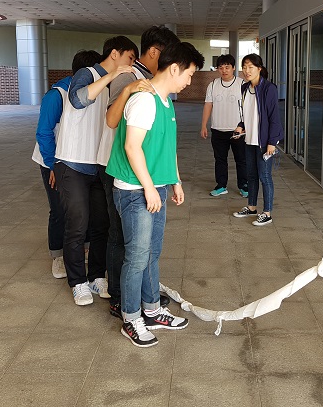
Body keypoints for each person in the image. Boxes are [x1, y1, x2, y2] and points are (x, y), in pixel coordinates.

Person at [106, 41, 204, 347]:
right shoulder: (144, 101)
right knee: (136, 257)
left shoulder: (165, 102)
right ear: (174, 68)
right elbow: (131, 147)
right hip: (135, 191)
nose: (189, 81)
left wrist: (175, 181)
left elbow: (167, 147)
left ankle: (152, 310)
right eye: (189, 74)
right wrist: (149, 188)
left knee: (151, 254)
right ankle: (131, 318)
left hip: (155, 187)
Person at [102, 25, 179, 319]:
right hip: (126, 171)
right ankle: (121, 299)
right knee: (123, 240)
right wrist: (129, 90)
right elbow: (111, 120)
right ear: (156, 52)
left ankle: (146, 300)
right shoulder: (129, 77)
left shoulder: (156, 86)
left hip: (144, 171)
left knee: (142, 248)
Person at [54, 36, 137, 306]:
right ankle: (77, 282)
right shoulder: (87, 73)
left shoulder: (115, 84)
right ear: (114, 54)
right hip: (72, 163)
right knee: (77, 225)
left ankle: (96, 276)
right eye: (129, 58)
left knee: (102, 224)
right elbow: (78, 100)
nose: (131, 64)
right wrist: (112, 75)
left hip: (98, 165)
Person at [32, 49, 100, 279]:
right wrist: (53, 166)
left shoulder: (94, 92)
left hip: (79, 159)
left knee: (85, 207)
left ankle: (84, 248)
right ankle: (58, 256)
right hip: (52, 160)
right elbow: (44, 133)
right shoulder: (57, 95)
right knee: (60, 209)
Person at [232, 53, 283, 226]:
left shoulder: (269, 88)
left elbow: (274, 117)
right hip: (249, 140)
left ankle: (267, 213)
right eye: (244, 67)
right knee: (251, 175)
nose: (247, 71)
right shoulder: (245, 88)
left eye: (250, 67)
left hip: (264, 142)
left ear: (259, 69)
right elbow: (247, 113)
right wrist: (241, 126)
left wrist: (272, 142)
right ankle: (251, 207)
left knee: (265, 176)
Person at [200, 54, 247, 197]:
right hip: (218, 129)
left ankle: (244, 186)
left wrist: (246, 126)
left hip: (237, 131)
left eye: (227, 67)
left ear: (233, 68)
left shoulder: (242, 84)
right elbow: (208, 105)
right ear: (217, 69)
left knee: (241, 160)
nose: (224, 70)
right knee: (220, 159)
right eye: (221, 67)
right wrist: (204, 125)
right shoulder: (213, 85)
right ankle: (221, 185)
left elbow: (248, 107)